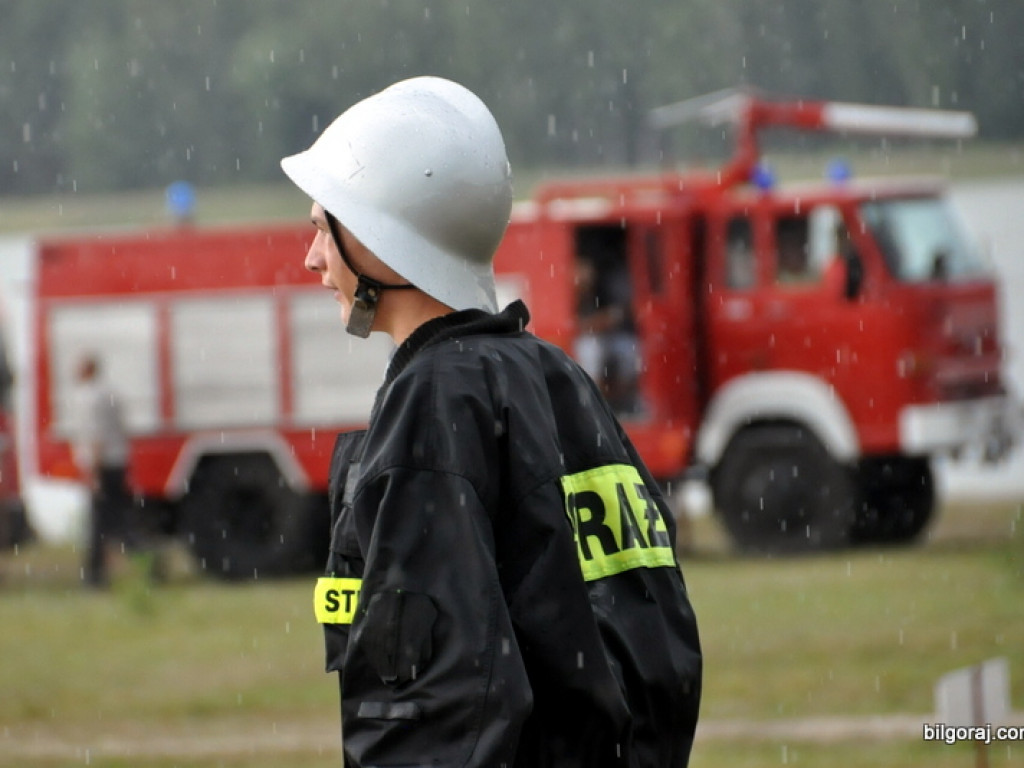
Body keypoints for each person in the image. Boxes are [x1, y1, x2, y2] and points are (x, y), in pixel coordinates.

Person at [283, 76, 701, 768]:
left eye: (324, 227)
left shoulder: (433, 404)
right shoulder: (554, 376)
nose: (312, 257)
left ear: (380, 235)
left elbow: (432, 700)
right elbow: (656, 645)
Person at [73, 355, 134, 588]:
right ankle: (146, 561)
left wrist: (93, 473)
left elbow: (95, 437)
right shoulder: (111, 393)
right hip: (118, 462)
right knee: (119, 519)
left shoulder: (88, 397)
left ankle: (95, 576)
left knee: (98, 524)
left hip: (102, 465)